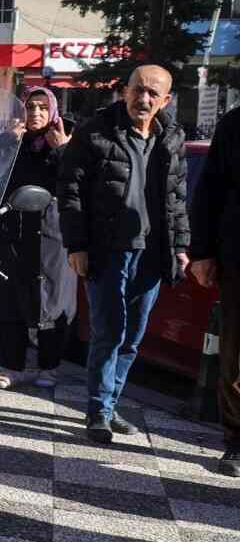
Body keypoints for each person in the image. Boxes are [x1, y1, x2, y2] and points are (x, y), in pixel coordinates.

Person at [58, 64, 190, 445]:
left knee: (133, 337)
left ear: (166, 100)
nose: (143, 99)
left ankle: (111, 402)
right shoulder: (95, 131)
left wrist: (180, 247)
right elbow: (70, 192)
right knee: (108, 332)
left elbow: (177, 200)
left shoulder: (171, 138)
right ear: (125, 91)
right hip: (107, 251)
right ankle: (98, 410)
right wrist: (77, 245)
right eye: (138, 90)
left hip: (151, 253)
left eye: (153, 94)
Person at [0, 87, 76, 390]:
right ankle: (11, 365)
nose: (35, 113)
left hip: (52, 234)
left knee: (51, 298)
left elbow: (78, 183)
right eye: (30, 107)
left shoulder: (65, 140)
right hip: (14, 231)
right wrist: (5, 144)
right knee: (10, 297)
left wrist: (63, 149)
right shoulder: (14, 142)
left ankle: (48, 366)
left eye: (41, 107)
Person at [189, 101, 240, 474]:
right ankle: (237, 440)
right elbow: (209, 193)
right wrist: (203, 252)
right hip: (238, 260)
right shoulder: (234, 125)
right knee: (236, 360)